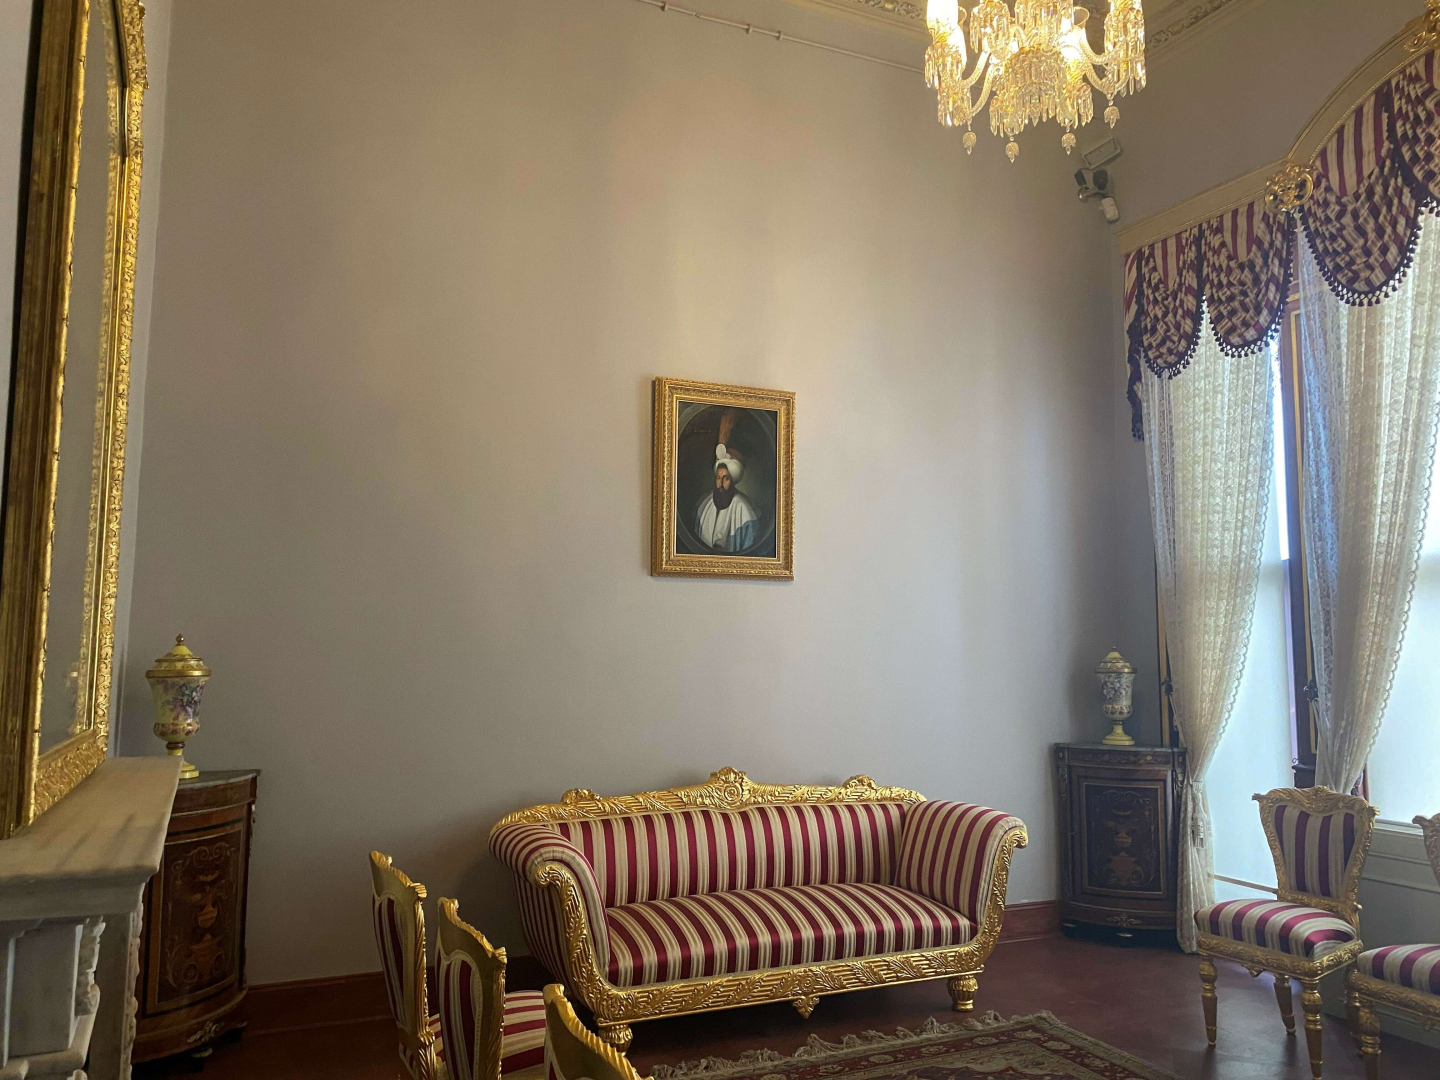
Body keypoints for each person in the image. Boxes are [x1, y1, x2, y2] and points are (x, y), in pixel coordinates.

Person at [696, 443, 759, 551]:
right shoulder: (705, 504)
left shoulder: (743, 508)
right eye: (718, 478)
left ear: (732, 480)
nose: (720, 484)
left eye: (726, 478)